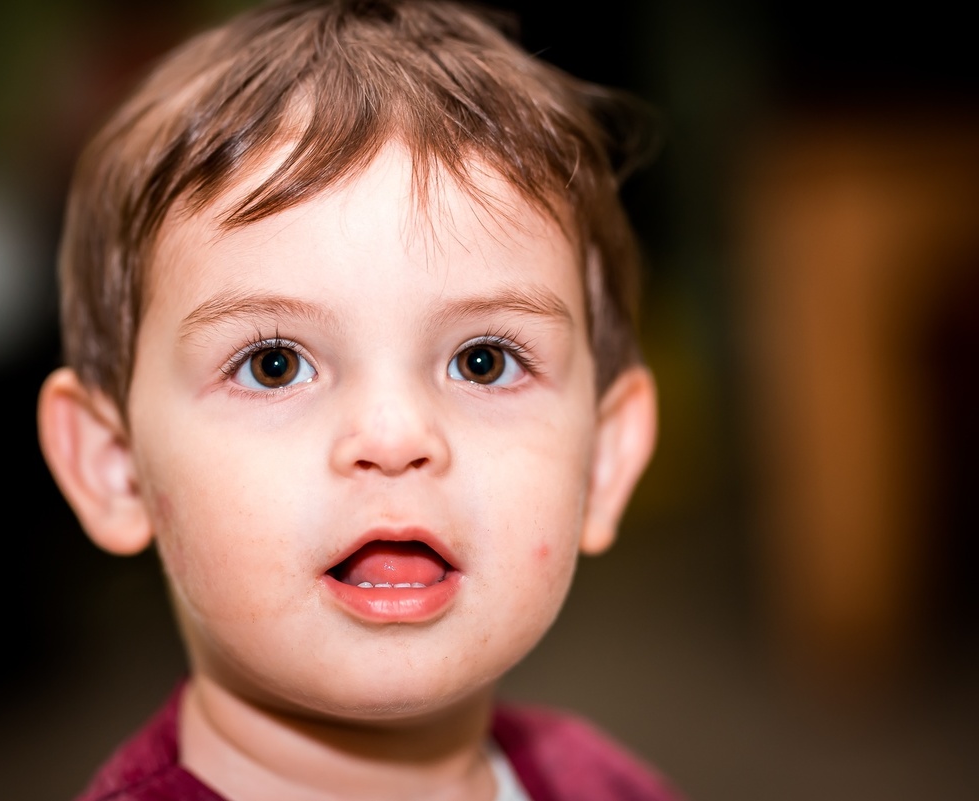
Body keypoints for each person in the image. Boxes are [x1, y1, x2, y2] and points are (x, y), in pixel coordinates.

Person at [37, 0, 678, 798]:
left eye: (483, 361)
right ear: (116, 467)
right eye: (274, 364)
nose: (394, 432)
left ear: (606, 458)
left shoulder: (610, 783)